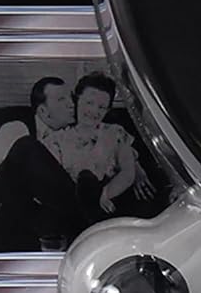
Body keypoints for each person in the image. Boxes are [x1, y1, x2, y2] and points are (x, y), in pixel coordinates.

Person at [0, 77, 78, 250]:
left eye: (71, 98)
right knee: (26, 147)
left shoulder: (69, 136)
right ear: (43, 111)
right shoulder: (16, 128)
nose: (72, 104)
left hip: (37, 218)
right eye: (62, 99)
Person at [48, 72, 141, 221]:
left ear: (107, 110)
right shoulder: (57, 139)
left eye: (101, 107)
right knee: (85, 179)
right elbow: (54, 183)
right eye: (89, 103)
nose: (94, 111)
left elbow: (128, 172)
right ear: (77, 100)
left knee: (89, 180)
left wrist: (106, 193)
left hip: (106, 204)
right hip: (71, 206)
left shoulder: (115, 132)